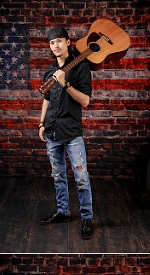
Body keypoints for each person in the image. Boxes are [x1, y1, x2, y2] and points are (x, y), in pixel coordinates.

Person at [37, 26, 95, 240]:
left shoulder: (81, 67)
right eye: (52, 43)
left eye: (60, 41)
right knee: (58, 175)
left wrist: (66, 83)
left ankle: (87, 218)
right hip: (51, 132)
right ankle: (63, 212)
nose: (56, 46)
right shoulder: (48, 70)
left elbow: (86, 101)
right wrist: (41, 124)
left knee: (81, 177)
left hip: (72, 133)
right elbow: (46, 99)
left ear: (68, 42)